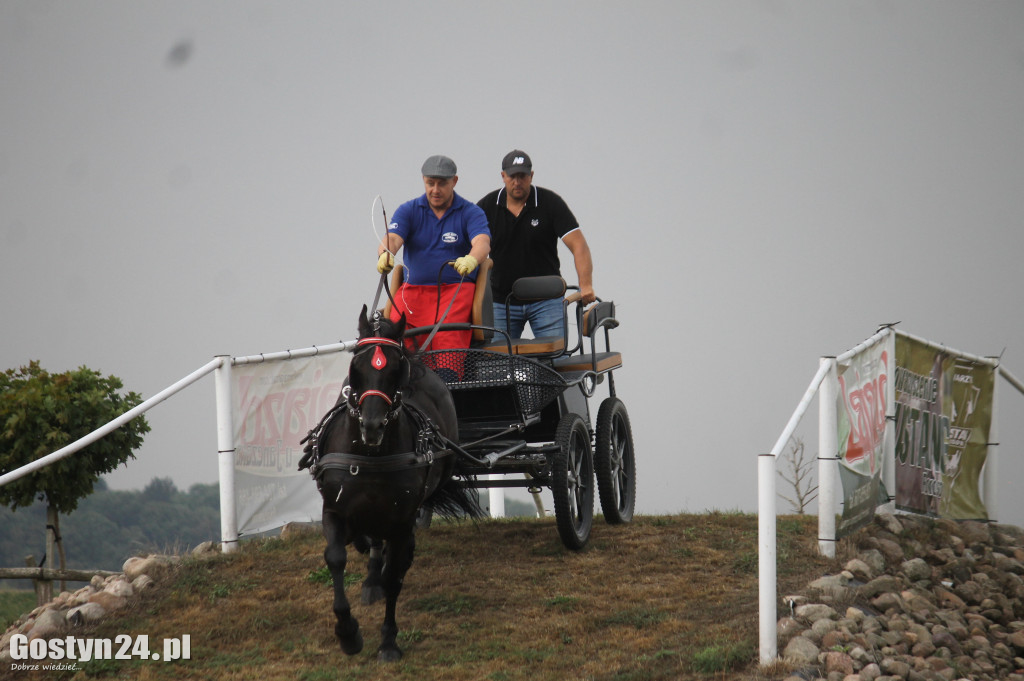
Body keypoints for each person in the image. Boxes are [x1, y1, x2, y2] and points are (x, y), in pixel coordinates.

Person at [377, 154, 491, 351]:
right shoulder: (409, 210)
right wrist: (385, 253)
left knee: (448, 337)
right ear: (423, 181)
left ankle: (448, 380)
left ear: (454, 181)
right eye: (430, 183)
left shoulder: (470, 212)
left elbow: (482, 242)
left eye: (442, 184)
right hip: (413, 292)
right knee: (395, 332)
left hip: (455, 291)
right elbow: (393, 237)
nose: (435, 190)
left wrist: (472, 259)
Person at [477, 150, 594, 340]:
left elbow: (579, 245)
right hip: (501, 301)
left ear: (531, 176)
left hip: (547, 301)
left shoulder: (550, 203)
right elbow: (470, 249)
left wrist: (586, 284)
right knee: (496, 364)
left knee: (556, 361)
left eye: (522, 176)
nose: (517, 182)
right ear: (503, 176)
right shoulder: (486, 206)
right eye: (512, 176)